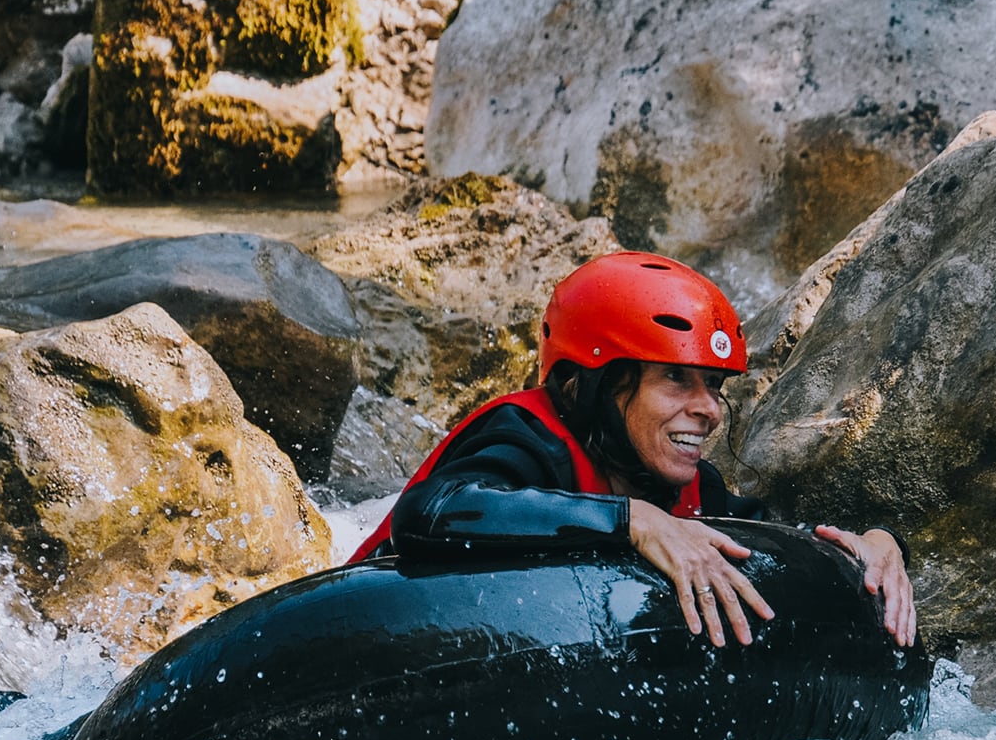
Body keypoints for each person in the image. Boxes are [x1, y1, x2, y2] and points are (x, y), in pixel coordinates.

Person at [349, 251, 916, 649]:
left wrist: (878, 546)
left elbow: (779, 541)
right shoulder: (524, 438)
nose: (710, 409)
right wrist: (632, 522)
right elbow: (428, 513)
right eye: (676, 379)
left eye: (714, 386)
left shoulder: (691, 486)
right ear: (597, 385)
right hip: (367, 638)